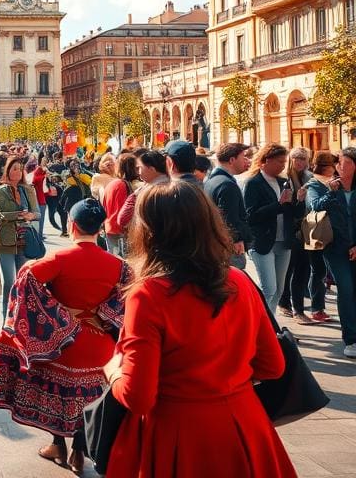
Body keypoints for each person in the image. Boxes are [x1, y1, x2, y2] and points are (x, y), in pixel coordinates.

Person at [105, 180, 296, 478]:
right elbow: (272, 365)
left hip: (176, 431)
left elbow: (138, 396)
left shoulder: (148, 294)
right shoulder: (239, 280)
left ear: (149, 231)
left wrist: (113, 370)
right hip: (244, 424)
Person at [0, 199, 130, 475]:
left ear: (71, 225)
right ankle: (79, 451)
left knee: (59, 390)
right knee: (90, 399)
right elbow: (127, 295)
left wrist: (55, 316)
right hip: (101, 345)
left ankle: (57, 445)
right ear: (100, 228)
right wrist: (104, 315)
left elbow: (24, 279)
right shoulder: (119, 265)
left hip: (65, 344)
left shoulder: (58, 259)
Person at [306, 148, 356, 357]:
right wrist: (330, 192)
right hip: (335, 250)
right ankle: (351, 339)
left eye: (343, 163)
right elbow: (313, 208)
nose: (338, 167)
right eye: (337, 163)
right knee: (345, 290)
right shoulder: (325, 186)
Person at [243, 143, 299, 312]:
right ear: (266, 161)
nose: (283, 165)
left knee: (279, 290)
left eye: (284, 162)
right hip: (263, 242)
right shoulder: (253, 183)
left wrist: (299, 201)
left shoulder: (284, 182)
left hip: (283, 241)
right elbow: (251, 216)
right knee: (269, 289)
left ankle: (271, 326)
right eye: (279, 162)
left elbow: (292, 213)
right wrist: (278, 204)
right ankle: (262, 328)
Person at [0, 156, 40, 320]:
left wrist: (31, 215)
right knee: (10, 283)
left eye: (20, 168)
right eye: (14, 168)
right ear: (8, 171)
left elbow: (38, 213)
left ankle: (20, 319)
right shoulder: (0, 190)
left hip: (25, 240)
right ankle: (6, 320)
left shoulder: (28, 190)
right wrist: (17, 215)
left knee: (23, 282)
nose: (18, 172)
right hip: (6, 241)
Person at [279, 147, 324, 325]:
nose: (300, 162)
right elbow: (286, 207)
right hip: (290, 230)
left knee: (302, 270)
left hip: (307, 228)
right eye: (297, 158)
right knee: (290, 270)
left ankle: (297, 308)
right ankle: (287, 304)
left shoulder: (309, 177)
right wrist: (298, 199)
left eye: (303, 159)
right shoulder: (285, 178)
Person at [203, 142, 253, 270]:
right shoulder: (227, 185)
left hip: (215, 244)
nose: (246, 161)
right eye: (243, 157)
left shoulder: (212, 180)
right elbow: (228, 218)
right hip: (228, 247)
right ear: (232, 160)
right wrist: (237, 239)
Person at [101, 154, 138, 259]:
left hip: (110, 228)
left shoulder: (113, 184)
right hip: (120, 232)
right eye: (136, 167)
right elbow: (123, 213)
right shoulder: (123, 185)